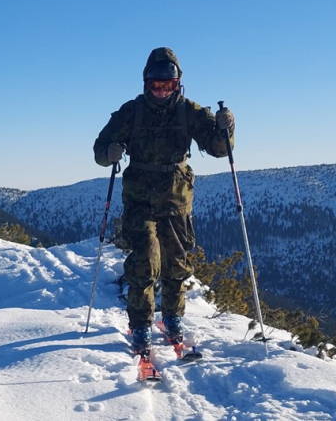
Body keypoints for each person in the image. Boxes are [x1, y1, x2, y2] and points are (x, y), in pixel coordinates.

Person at [92, 47, 236, 356]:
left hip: (176, 201)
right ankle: (142, 325)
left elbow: (218, 148)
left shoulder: (190, 112)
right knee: (145, 262)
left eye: (167, 85)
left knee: (176, 264)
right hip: (140, 201)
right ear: (146, 82)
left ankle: (173, 319)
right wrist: (111, 153)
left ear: (178, 83)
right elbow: (100, 149)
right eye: (156, 85)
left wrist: (227, 128)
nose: (161, 91)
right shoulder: (132, 112)